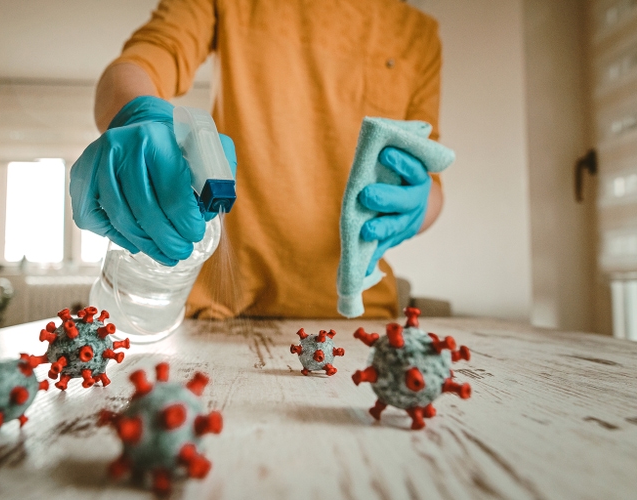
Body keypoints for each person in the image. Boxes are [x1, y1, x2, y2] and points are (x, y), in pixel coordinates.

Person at [70, 0, 445, 320]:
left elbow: (432, 180)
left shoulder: (419, 36)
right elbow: (139, 63)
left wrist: (417, 203)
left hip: (360, 314)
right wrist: (138, 113)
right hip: (219, 311)